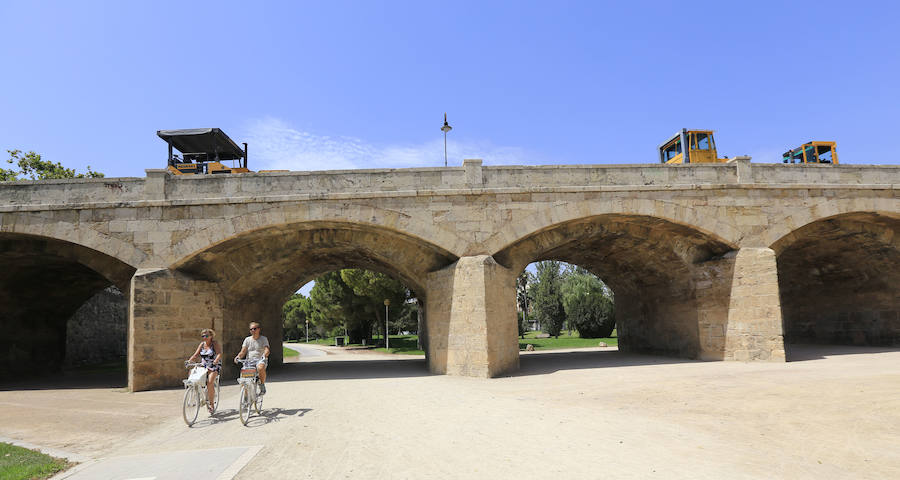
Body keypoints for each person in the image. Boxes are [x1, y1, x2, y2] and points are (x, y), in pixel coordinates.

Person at [186, 328, 222, 413]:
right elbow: (195, 355)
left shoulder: (214, 343)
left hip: (214, 365)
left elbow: (219, 353)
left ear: (211, 336)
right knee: (192, 372)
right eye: (203, 336)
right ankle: (195, 391)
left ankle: (212, 405)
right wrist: (189, 361)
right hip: (204, 365)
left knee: (210, 382)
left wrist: (216, 360)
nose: (204, 337)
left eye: (206, 335)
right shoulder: (202, 344)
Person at [234, 322, 270, 394]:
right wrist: (238, 357)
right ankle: (245, 397)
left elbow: (267, 349)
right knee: (244, 379)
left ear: (258, 329)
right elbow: (243, 351)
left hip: (260, 360)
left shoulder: (263, 339)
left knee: (260, 368)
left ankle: (262, 384)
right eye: (251, 329)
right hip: (249, 361)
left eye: (254, 329)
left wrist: (265, 355)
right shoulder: (247, 339)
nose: (253, 330)